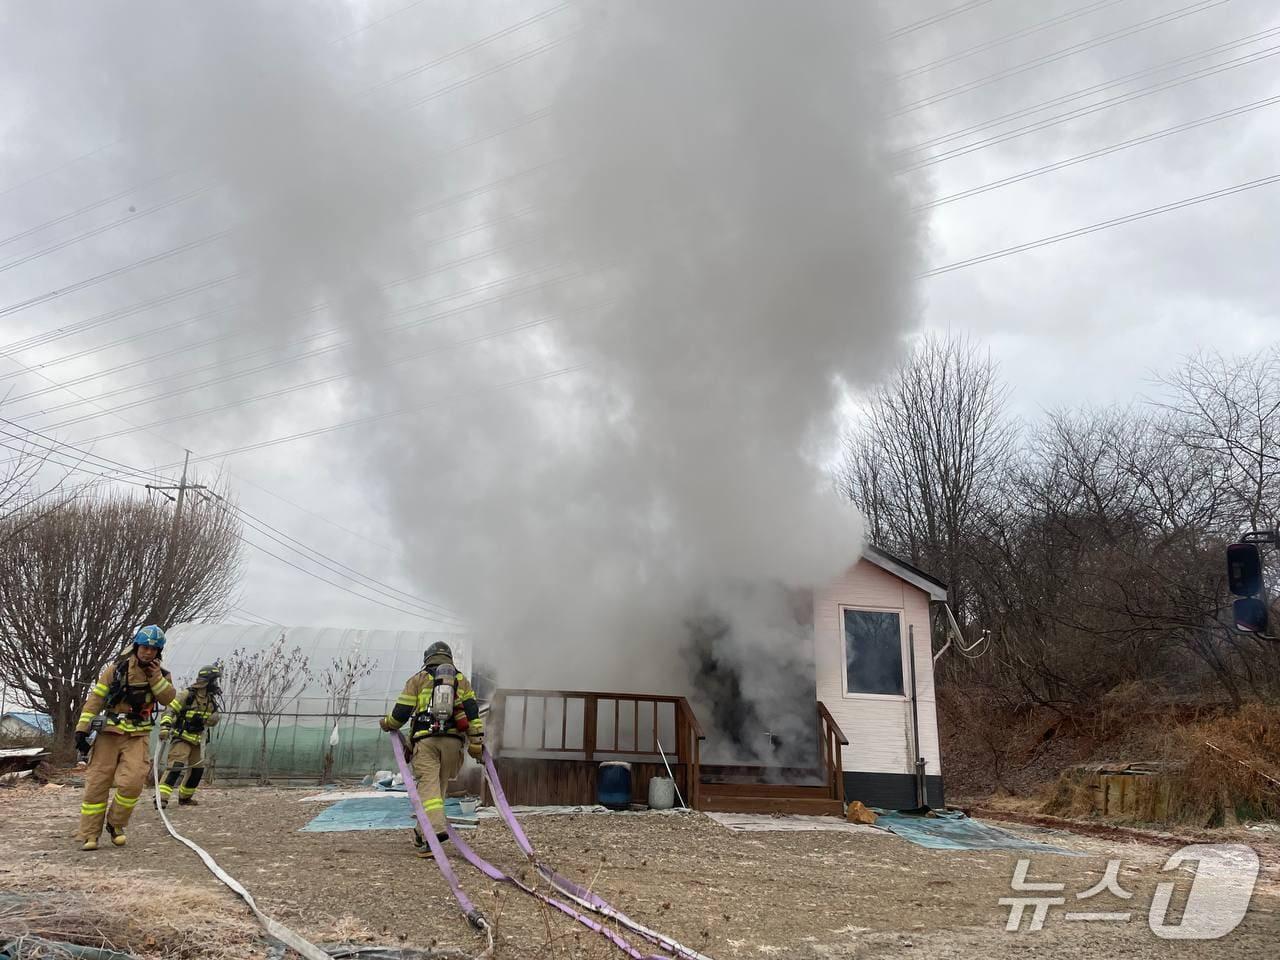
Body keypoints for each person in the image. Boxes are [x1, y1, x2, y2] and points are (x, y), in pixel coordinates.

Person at [75, 625, 176, 851]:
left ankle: (116, 824)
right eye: (144, 647)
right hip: (108, 733)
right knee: (97, 783)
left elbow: (168, 698)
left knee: (133, 783)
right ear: (136, 646)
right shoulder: (115, 670)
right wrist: (81, 730)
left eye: (153, 649)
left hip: (137, 735)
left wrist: (155, 676)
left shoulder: (162, 674)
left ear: (158, 652)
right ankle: (90, 834)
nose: (148, 652)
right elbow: (96, 699)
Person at [380, 641, 483, 855]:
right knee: (438, 789)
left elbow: (400, 714)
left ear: (427, 658)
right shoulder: (461, 680)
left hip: (426, 742)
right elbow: (473, 714)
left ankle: (434, 831)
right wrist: (476, 743)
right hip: (453, 743)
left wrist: (387, 723)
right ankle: (421, 833)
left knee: (428, 788)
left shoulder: (418, 679)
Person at [157, 664, 222, 808]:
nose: (215, 684)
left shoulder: (210, 700)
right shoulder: (187, 695)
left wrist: (213, 719)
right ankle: (161, 798)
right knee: (176, 767)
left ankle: (185, 798)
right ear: (207, 681)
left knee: (197, 770)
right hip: (182, 737)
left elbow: (210, 719)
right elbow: (169, 711)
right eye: (214, 681)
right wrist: (165, 727)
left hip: (197, 740)